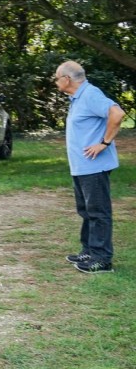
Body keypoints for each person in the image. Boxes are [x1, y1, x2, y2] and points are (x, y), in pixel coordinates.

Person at [54, 60, 124, 274]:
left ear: (67, 79)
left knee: (98, 212)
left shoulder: (90, 94)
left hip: (94, 166)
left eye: (56, 78)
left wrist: (104, 143)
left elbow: (117, 114)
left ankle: (102, 259)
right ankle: (89, 251)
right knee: (86, 211)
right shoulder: (78, 98)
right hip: (82, 166)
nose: (55, 82)